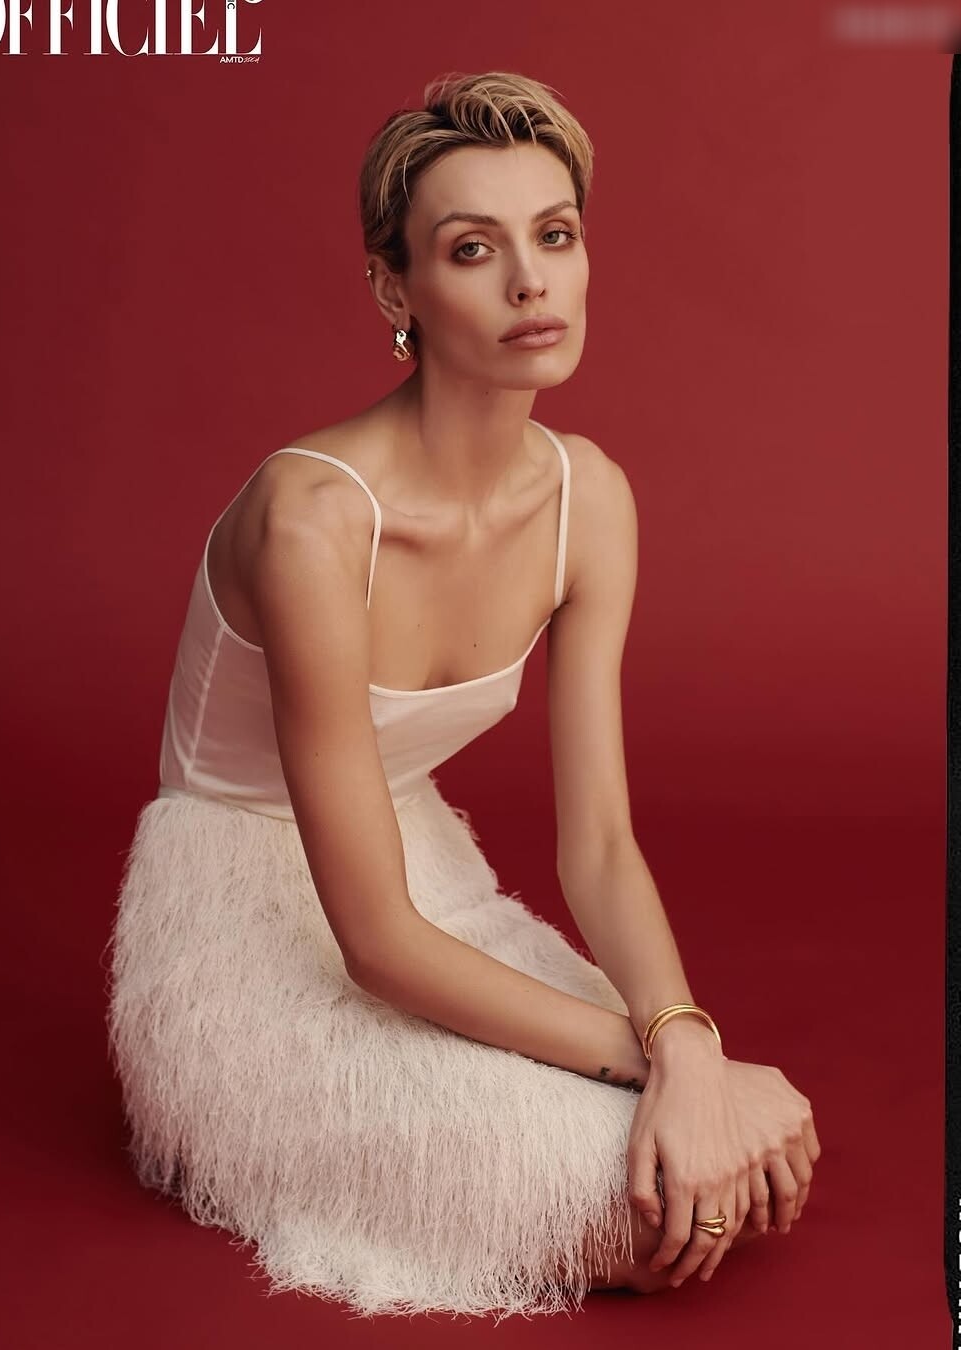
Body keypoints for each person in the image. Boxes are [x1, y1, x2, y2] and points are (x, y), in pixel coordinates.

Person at [104, 70, 821, 1321]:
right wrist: (666, 1060)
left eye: (557, 235)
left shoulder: (591, 498)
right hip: (243, 927)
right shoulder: (311, 519)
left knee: (712, 1169)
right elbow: (374, 945)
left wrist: (688, 1040)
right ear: (396, 291)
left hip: (426, 876)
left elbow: (600, 844)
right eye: (474, 249)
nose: (532, 283)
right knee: (650, 1202)